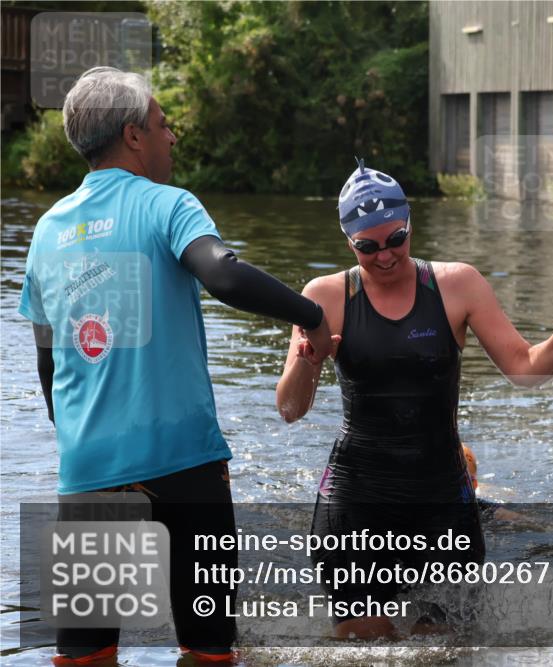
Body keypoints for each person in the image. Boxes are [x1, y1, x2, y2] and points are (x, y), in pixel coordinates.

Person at [19, 66, 334, 666]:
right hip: (183, 463)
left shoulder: (46, 229)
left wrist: (84, 446)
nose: (172, 138)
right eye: (164, 126)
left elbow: (47, 361)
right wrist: (311, 315)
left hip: (88, 469)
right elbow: (224, 274)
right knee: (209, 651)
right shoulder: (168, 205)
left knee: (83, 658)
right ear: (133, 135)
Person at [276, 160, 553, 639]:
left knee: (440, 647)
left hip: (440, 494)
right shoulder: (325, 296)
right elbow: (291, 409)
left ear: (409, 224)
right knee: (367, 646)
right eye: (368, 246)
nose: (384, 256)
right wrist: (307, 360)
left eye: (395, 239)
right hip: (358, 496)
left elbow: (525, 369)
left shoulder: (458, 285)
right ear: (349, 242)